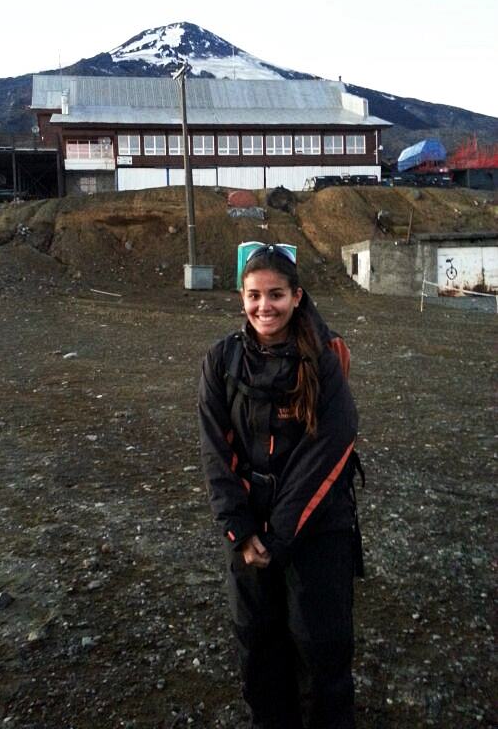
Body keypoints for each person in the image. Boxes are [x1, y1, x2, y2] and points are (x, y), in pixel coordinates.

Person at [198, 244, 361, 729]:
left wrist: (280, 535)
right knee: (258, 643)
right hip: (249, 534)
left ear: (297, 296)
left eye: (275, 295)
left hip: (317, 529)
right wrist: (240, 531)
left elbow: (328, 451)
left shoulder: (325, 357)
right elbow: (214, 449)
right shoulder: (221, 360)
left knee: (321, 646)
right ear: (240, 298)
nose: (263, 307)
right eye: (253, 295)